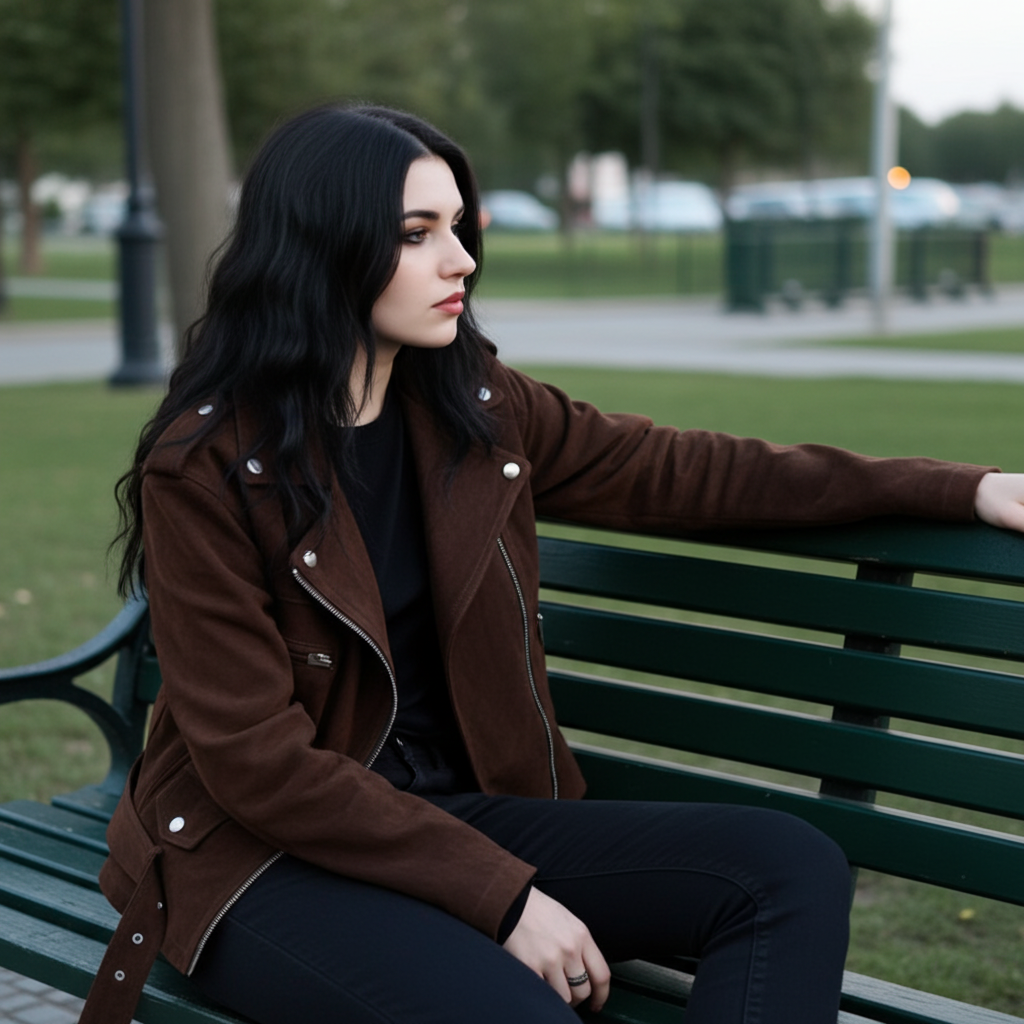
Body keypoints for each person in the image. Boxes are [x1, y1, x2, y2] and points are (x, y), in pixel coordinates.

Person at [82, 104, 1024, 1024]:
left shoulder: (471, 407)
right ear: (323, 247)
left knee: (787, 869)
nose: (462, 261)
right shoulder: (205, 468)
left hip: (454, 815)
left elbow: (685, 471)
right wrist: (503, 899)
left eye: (459, 226)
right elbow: (261, 768)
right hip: (261, 857)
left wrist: (957, 487)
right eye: (418, 234)